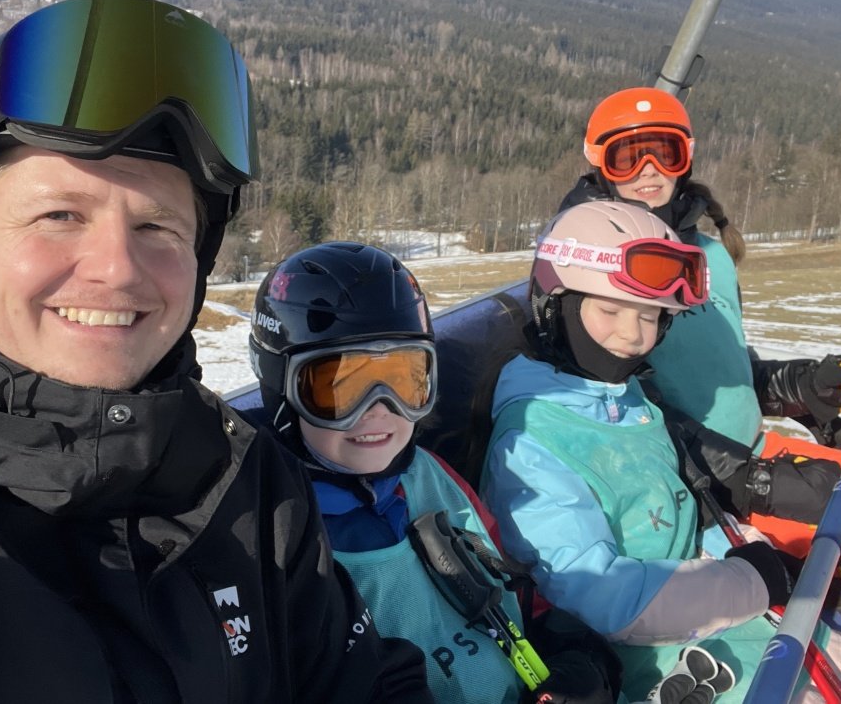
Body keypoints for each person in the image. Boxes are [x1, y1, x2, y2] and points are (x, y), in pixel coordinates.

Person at [0, 0, 432, 703]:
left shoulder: (247, 479)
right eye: (60, 214)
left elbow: (362, 684)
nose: (117, 269)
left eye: (157, 227)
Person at [561, 86, 841, 704]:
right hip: (708, 480)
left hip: (752, 450)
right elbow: (616, 405)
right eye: (627, 156)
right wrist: (750, 480)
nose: (648, 171)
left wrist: (801, 385)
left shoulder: (706, 254)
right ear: (598, 162)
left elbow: (725, 370)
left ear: (687, 156)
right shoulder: (595, 263)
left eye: (664, 153)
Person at [479, 201, 841, 703]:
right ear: (554, 305)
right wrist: (750, 580)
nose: (633, 335)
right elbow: (595, 592)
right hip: (654, 659)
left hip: (727, 616)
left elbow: (679, 493)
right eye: (610, 310)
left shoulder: (626, 398)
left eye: (650, 315)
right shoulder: (529, 443)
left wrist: (745, 535)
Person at [246, 240, 626, 704]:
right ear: (281, 387)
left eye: (405, 380)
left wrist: (577, 661)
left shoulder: (430, 477)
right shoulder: (278, 534)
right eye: (339, 388)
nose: (379, 410)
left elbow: (516, 590)